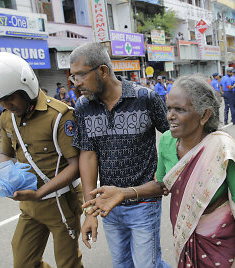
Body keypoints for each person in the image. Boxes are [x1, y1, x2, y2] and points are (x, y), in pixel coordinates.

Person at [82, 74, 235, 268]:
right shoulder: (167, 141)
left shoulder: (222, 149)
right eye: (168, 108)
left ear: (204, 115)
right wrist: (123, 192)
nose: (170, 116)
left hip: (222, 243)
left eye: (179, 109)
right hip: (186, 239)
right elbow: (162, 185)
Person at [0, 52, 83, 268]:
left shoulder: (60, 115)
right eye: (0, 100)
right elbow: (6, 154)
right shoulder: (7, 117)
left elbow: (76, 167)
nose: (6, 104)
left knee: (68, 264)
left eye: (10, 97)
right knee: (23, 263)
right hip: (29, 205)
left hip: (60, 201)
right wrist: (3, 177)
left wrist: (39, 193)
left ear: (26, 88)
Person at [69, 43, 170, 268]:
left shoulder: (146, 98)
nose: (76, 83)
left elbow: (173, 136)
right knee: (122, 265)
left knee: (147, 265)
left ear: (103, 71)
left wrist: (164, 172)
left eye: (80, 75)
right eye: (73, 77)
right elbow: (87, 155)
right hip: (109, 207)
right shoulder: (83, 106)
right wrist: (91, 210)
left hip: (144, 201)